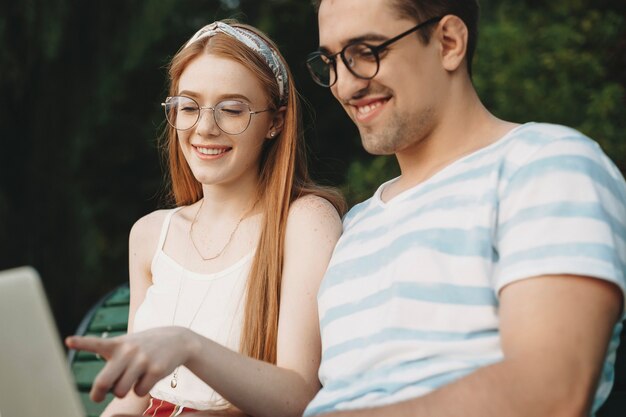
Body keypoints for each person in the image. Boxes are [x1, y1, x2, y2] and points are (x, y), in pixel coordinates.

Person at [303, 0, 626, 416]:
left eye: (367, 52)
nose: (345, 86)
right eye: (330, 61)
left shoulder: (546, 164)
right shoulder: (353, 227)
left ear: (449, 42)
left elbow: (549, 392)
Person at [66, 20, 345, 417]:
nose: (205, 128)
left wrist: (188, 346)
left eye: (232, 110)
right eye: (189, 107)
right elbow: (132, 398)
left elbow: (298, 396)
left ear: (276, 122)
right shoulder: (150, 234)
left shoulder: (305, 221)